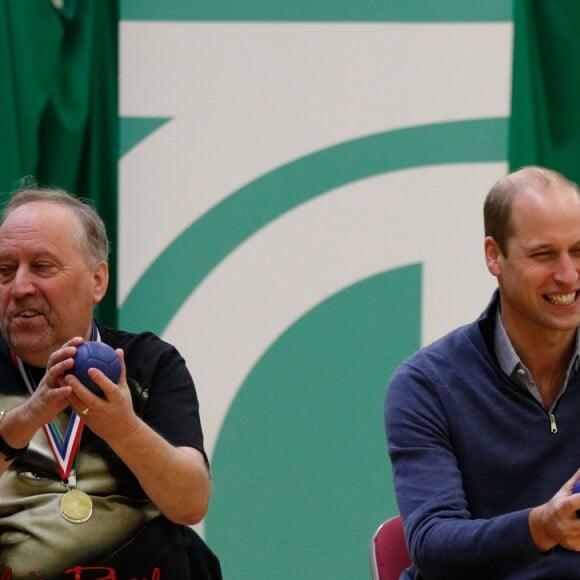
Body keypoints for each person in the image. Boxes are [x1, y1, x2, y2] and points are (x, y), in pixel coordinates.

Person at [0, 185, 221, 579]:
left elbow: (190, 503)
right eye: (5, 270)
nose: (19, 287)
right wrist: (29, 416)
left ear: (97, 281)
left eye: (42, 267)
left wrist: (123, 427)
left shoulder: (150, 364)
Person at [385, 166, 580, 579]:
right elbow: (432, 545)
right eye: (544, 254)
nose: (567, 274)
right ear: (494, 256)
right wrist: (541, 527)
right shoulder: (426, 384)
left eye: (579, 251)